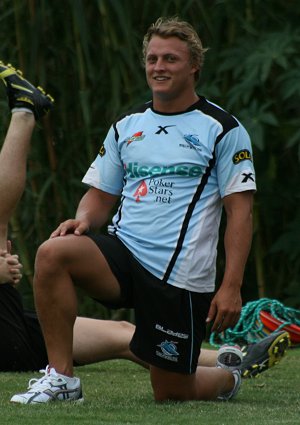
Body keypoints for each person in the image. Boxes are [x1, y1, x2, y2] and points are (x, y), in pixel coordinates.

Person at [9, 16, 261, 404]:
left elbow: (240, 213)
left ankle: (227, 378)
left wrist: (231, 287)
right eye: (152, 59)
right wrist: (85, 220)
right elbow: (100, 196)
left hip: (178, 277)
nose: (159, 67)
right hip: (123, 255)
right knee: (53, 252)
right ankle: (62, 380)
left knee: (172, 392)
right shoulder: (128, 125)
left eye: (170, 59)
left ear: (194, 65)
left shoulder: (223, 129)